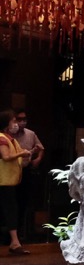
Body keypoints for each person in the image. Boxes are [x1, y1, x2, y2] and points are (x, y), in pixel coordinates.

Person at [0, 109, 33, 255]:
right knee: (10, 210)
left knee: (11, 210)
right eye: (13, 121)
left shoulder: (9, 138)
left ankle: (15, 242)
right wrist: (22, 153)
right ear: (6, 123)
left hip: (8, 181)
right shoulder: (2, 138)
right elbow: (6, 157)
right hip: (3, 181)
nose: (16, 124)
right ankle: (14, 242)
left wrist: (27, 153)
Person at [13, 111, 43, 241]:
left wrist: (38, 159)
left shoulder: (30, 134)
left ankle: (20, 232)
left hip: (25, 170)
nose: (22, 122)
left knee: (23, 201)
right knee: (11, 202)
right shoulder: (8, 135)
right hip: (11, 171)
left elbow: (40, 148)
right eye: (19, 119)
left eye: (24, 119)